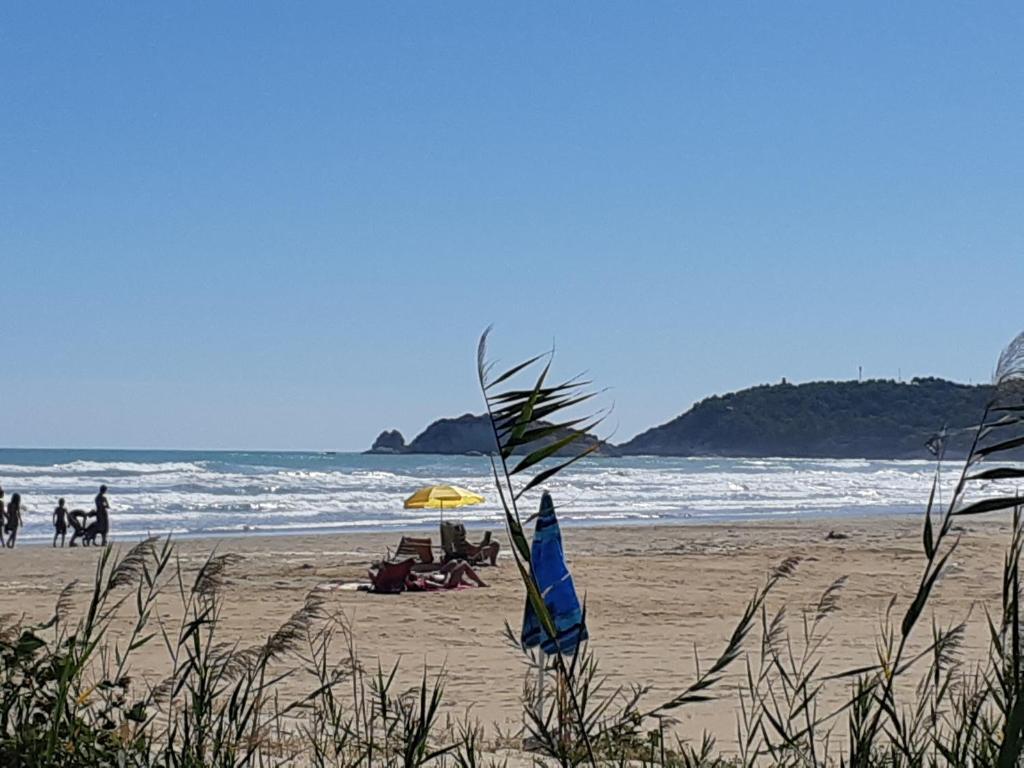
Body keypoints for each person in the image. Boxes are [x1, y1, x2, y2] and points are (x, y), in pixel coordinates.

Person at [404, 560, 488, 591]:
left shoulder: (419, 578)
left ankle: (463, 581)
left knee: (454, 562)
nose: (415, 573)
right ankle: (480, 583)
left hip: (442, 575)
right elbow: (442, 585)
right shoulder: (423, 582)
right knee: (464, 564)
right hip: (448, 582)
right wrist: (448, 575)